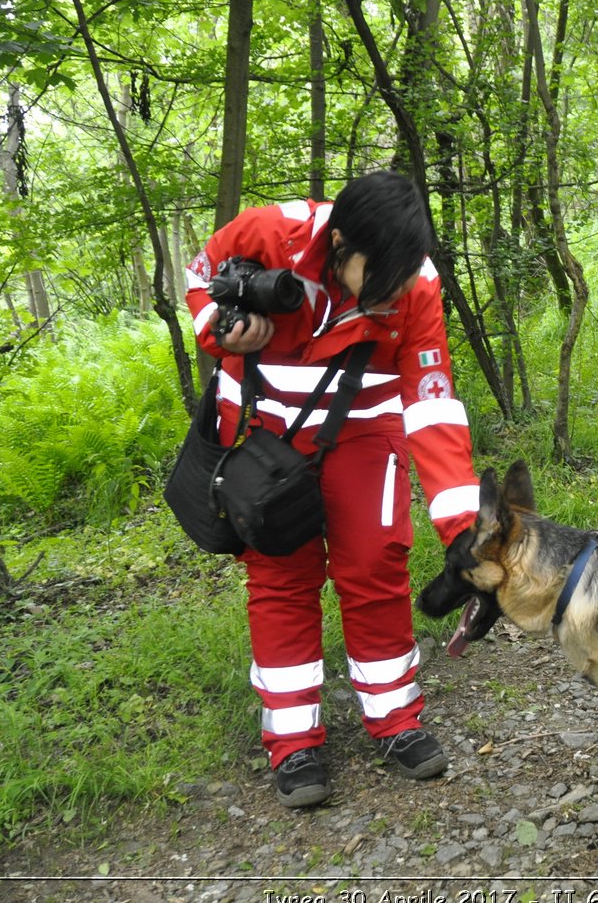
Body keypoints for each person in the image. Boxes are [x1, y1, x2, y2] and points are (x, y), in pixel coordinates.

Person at [184, 170, 480, 807]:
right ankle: (293, 742)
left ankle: (395, 721)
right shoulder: (272, 231)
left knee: (375, 563)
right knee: (280, 571)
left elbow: (432, 404)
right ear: (339, 242)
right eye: (376, 281)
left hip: (364, 431)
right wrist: (222, 328)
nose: (388, 297)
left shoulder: (417, 281)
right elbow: (197, 276)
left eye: (398, 282)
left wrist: (463, 528)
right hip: (263, 428)